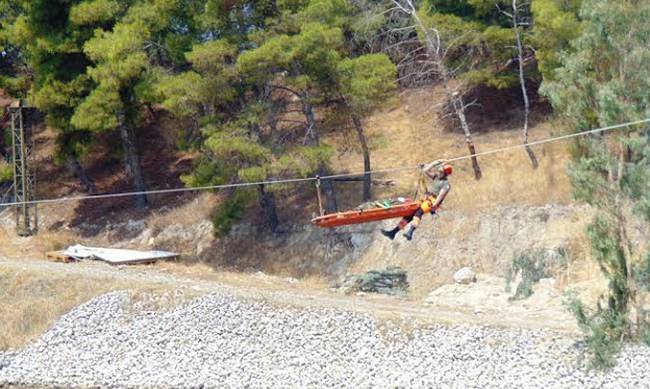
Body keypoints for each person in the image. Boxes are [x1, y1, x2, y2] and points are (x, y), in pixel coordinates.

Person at [381, 160, 452, 241]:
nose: (439, 173)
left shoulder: (446, 185)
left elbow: (440, 196)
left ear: (445, 174)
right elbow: (425, 170)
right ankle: (393, 233)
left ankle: (410, 232)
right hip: (426, 198)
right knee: (410, 215)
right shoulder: (436, 177)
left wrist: (434, 205)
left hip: (433, 201)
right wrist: (435, 163)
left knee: (419, 212)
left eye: (441, 172)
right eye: (439, 171)